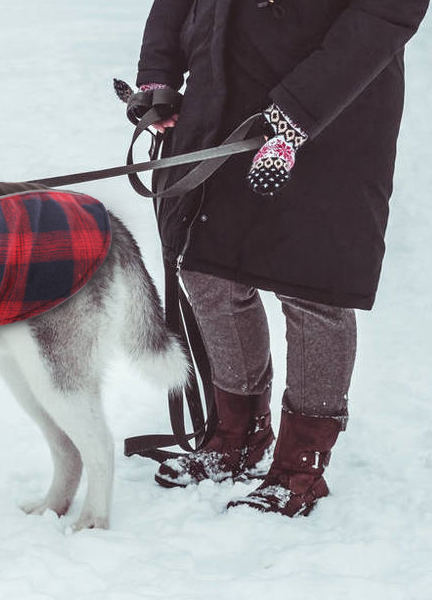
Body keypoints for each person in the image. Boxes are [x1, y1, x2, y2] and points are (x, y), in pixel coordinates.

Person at [132, 0, 428, 516]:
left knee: (310, 286)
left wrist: (294, 116)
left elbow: (385, 16)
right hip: (223, 100)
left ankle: (300, 464)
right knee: (209, 269)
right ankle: (237, 434)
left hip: (333, 111)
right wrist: (159, 73)